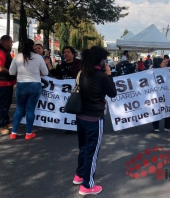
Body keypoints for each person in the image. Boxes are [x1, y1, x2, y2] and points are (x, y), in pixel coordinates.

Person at [72, 46, 117, 195]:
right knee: (92, 151)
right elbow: (112, 93)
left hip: (80, 116)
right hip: (94, 118)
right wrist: (109, 75)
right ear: (102, 60)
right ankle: (87, 185)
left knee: (83, 148)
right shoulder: (102, 77)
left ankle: (79, 175)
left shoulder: (83, 73)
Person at [9, 39, 49, 140]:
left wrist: (21, 74)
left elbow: (11, 72)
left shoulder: (17, 57)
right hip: (35, 85)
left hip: (21, 85)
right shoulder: (38, 57)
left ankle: (13, 133)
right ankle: (28, 133)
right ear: (32, 47)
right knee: (30, 110)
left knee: (19, 109)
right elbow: (46, 72)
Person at [0, 35, 16, 135]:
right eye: (11, 43)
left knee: (7, 104)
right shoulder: (0, 52)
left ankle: (5, 122)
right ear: (6, 42)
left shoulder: (4, 52)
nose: (11, 45)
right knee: (2, 105)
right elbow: (1, 68)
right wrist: (13, 73)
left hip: (7, 82)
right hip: (3, 82)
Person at [152, 58, 170, 132]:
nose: (165, 63)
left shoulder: (167, 70)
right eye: (163, 62)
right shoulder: (152, 70)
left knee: (168, 107)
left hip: (167, 93)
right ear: (159, 64)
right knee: (157, 108)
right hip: (157, 94)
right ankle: (156, 126)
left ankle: (167, 126)